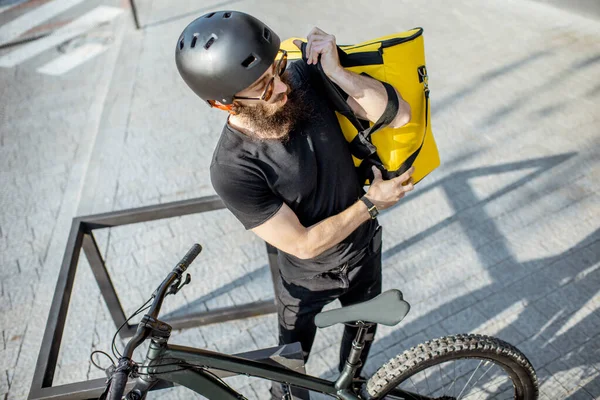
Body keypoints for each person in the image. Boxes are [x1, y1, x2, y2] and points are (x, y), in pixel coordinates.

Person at [175, 11, 415, 398]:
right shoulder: (233, 169)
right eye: (263, 86)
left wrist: (337, 73)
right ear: (223, 104)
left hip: (364, 250)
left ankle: (351, 384)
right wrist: (371, 203)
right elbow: (303, 244)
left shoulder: (301, 78)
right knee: (287, 371)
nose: (281, 87)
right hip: (305, 279)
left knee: (361, 337)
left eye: (277, 69)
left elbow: (399, 116)